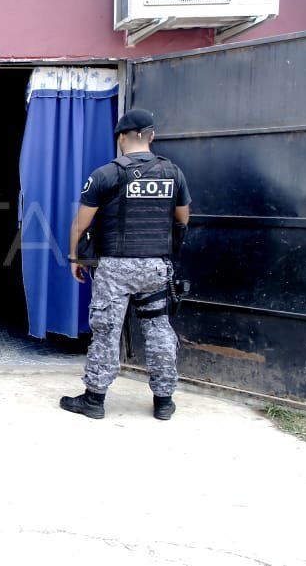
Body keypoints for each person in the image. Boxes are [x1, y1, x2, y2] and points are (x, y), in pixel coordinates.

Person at [63, 108, 190, 421]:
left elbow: (80, 225)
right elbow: (183, 219)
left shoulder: (106, 174)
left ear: (121, 137)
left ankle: (94, 400)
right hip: (155, 266)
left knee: (106, 331)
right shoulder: (172, 172)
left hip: (116, 268)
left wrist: (75, 258)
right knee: (159, 330)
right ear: (152, 136)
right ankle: (163, 400)